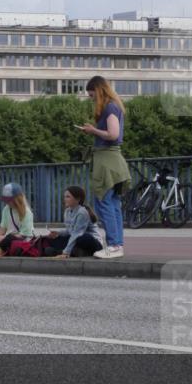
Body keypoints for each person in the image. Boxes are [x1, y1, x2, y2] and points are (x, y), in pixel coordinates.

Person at [78, 75, 131, 259]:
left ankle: (114, 245)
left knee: (104, 203)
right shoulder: (115, 106)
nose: (91, 99)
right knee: (113, 204)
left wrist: (93, 130)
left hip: (107, 161)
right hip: (114, 161)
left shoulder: (110, 107)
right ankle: (117, 245)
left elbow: (113, 134)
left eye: (92, 95)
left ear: (99, 91)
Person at [44, 186, 105, 259]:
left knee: (82, 238)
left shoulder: (82, 212)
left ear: (78, 199)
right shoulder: (67, 211)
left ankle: (63, 252)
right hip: (77, 238)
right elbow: (69, 231)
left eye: (68, 197)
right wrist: (57, 233)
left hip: (93, 243)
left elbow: (76, 233)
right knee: (53, 239)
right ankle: (78, 252)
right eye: (64, 197)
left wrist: (65, 253)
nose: (65, 199)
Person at [0, 182, 35, 257]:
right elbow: (2, 230)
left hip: (19, 240)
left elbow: (25, 235)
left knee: (9, 238)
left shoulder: (27, 212)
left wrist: (4, 238)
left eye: (8, 200)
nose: (6, 202)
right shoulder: (6, 209)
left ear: (17, 199)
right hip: (5, 239)